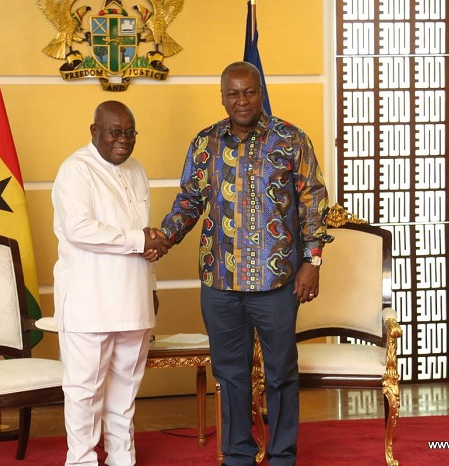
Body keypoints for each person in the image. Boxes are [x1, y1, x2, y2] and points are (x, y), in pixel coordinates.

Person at [156, 61, 332, 466]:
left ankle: (283, 455)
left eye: (249, 92)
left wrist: (313, 261)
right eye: (233, 93)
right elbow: (189, 201)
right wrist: (165, 235)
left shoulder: (290, 139)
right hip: (220, 283)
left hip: (276, 283)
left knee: (281, 372)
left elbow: (314, 204)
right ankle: (237, 454)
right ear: (222, 96)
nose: (241, 100)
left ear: (260, 92)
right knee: (230, 374)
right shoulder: (205, 143)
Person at [52, 100, 170, 466]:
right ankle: (83, 460)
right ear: (94, 132)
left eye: (129, 133)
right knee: (85, 391)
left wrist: (150, 286)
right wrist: (140, 240)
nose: (123, 140)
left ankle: (122, 459)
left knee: (124, 392)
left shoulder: (137, 170)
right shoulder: (75, 170)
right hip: (90, 302)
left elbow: (141, 236)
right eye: (114, 132)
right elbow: (79, 230)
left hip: (133, 301)